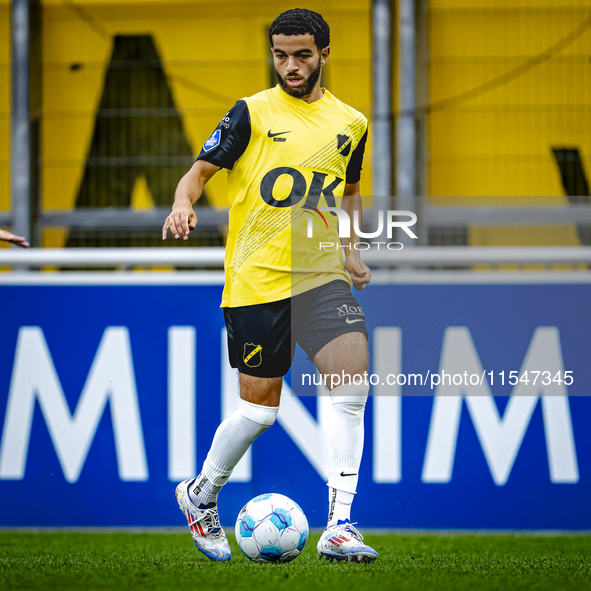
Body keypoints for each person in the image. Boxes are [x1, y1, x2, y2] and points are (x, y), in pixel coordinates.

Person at [162, 8, 377, 563]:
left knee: (351, 378)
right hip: (257, 280)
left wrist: (351, 248)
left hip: (319, 273)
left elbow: (348, 192)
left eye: (302, 54)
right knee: (260, 412)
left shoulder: (351, 122)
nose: (290, 65)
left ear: (324, 54)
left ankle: (340, 525)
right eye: (280, 55)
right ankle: (201, 494)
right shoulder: (251, 113)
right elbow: (199, 171)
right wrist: (183, 202)